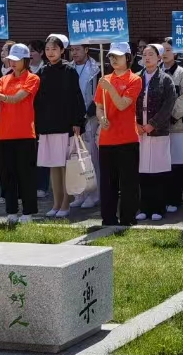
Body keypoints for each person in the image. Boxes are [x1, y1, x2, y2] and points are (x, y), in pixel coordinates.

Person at [0, 43, 41, 223]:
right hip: (4, 134)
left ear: (26, 61)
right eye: (11, 59)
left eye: (17, 60)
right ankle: (11, 211)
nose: (13, 63)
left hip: (25, 133)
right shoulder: (4, 79)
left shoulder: (32, 78)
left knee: (26, 175)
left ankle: (28, 212)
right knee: (7, 175)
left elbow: (17, 98)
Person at [35, 34, 87, 218]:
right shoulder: (42, 71)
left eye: (54, 49)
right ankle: (56, 202)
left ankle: (66, 202)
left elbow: (76, 98)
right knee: (53, 165)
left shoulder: (69, 71)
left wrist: (77, 122)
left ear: (62, 50)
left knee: (65, 165)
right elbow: (38, 101)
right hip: (47, 125)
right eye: (47, 49)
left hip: (65, 125)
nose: (50, 53)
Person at [95, 42, 142, 226]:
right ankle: (108, 218)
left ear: (127, 58)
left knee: (128, 182)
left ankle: (128, 218)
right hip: (107, 139)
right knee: (108, 182)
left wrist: (110, 88)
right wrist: (101, 118)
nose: (114, 59)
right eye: (111, 56)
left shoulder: (134, 79)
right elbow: (99, 106)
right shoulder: (105, 79)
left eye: (118, 56)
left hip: (127, 138)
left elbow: (123, 104)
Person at [135, 43, 177, 221]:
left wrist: (153, 124)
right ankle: (144, 207)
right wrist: (136, 124)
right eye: (144, 54)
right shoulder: (137, 78)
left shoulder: (165, 79)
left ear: (159, 58)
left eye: (151, 54)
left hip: (158, 131)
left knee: (159, 170)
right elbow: (130, 102)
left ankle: (159, 208)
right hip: (140, 131)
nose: (147, 57)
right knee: (142, 169)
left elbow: (169, 105)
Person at [70, 42, 102, 210]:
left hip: (90, 118)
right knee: (75, 157)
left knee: (91, 157)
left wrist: (86, 114)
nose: (74, 53)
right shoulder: (68, 68)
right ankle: (79, 194)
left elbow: (98, 95)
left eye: (77, 49)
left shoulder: (96, 69)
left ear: (86, 50)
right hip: (72, 120)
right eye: (72, 50)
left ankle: (93, 195)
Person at [161, 40, 183, 211]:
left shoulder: (182, 73)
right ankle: (165, 197)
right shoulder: (155, 71)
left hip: (178, 124)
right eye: (162, 50)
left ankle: (176, 198)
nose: (165, 53)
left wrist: (172, 115)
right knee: (163, 163)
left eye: (168, 50)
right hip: (159, 127)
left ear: (176, 53)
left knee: (178, 164)